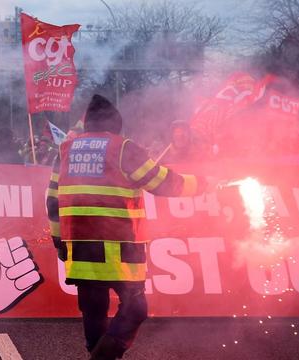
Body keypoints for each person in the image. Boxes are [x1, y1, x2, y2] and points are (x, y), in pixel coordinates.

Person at [46, 94, 208, 360]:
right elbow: (164, 183)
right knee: (135, 309)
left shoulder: (65, 150)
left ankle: (98, 355)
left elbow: (52, 200)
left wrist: (58, 240)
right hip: (121, 249)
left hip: (81, 249)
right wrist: (203, 184)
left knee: (94, 311)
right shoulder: (123, 148)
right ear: (115, 124)